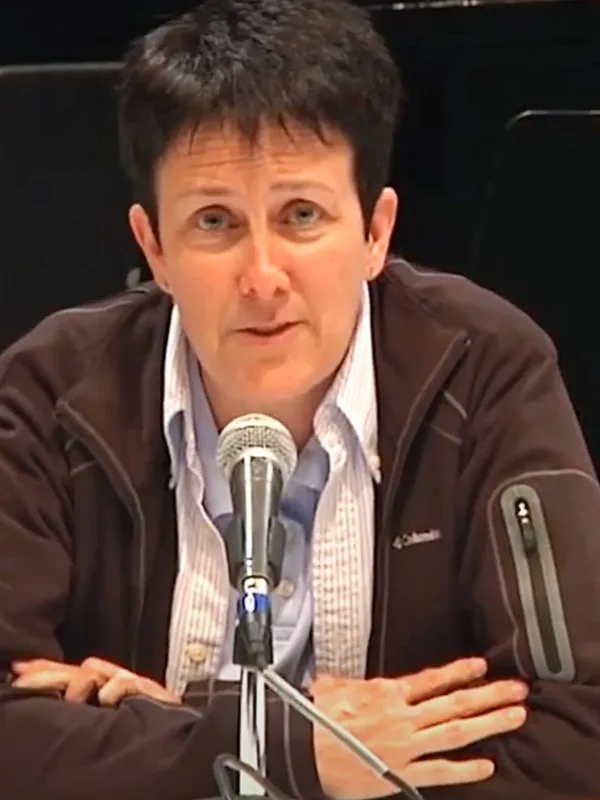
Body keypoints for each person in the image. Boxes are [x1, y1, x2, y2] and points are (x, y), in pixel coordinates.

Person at [1, 0, 599, 798]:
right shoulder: (50, 391)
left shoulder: (487, 370)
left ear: (376, 231)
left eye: (302, 215)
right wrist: (285, 749)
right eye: (215, 221)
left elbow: (577, 729)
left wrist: (182, 735)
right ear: (155, 247)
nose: (262, 276)